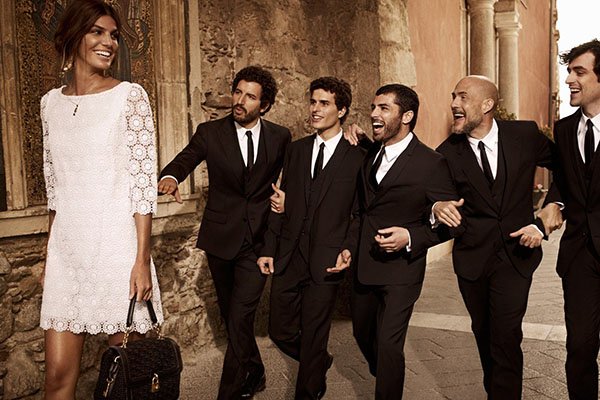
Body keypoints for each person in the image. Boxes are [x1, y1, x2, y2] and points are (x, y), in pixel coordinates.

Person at [40, 1, 163, 398]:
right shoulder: (49, 104)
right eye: (97, 32)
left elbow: (142, 187)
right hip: (67, 255)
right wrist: (49, 256)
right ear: (74, 35)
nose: (108, 42)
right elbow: (55, 189)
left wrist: (141, 260)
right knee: (57, 377)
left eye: (113, 35)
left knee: (127, 378)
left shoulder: (130, 97)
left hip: (117, 253)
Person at [158, 66, 291, 399]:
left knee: (241, 314)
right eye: (238, 92)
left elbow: (293, 176)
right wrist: (171, 177)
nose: (240, 101)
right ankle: (255, 370)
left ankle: (229, 393)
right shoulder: (210, 132)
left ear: (264, 105)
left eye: (250, 96)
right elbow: (186, 158)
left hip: (258, 241)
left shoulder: (280, 137)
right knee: (233, 316)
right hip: (221, 239)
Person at [433, 75, 556, 399]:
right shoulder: (446, 153)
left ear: (487, 104)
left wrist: (550, 210)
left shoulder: (524, 134)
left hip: (517, 256)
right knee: (484, 334)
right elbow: (433, 195)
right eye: (453, 96)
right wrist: (438, 206)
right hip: (472, 260)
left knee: (506, 335)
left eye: (462, 97)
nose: (454, 104)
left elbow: (567, 168)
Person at [336, 84, 459, 399]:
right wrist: (349, 246)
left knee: (390, 344)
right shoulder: (370, 153)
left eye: (384, 108)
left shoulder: (431, 163)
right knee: (363, 335)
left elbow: (454, 224)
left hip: (402, 271)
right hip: (364, 265)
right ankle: (386, 371)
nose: (374, 114)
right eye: (373, 107)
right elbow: (362, 209)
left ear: (407, 116)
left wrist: (411, 236)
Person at [257, 77, 365, 399]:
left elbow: (360, 213)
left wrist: (348, 248)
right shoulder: (297, 150)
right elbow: (280, 202)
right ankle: (318, 361)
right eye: (313, 102)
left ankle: (309, 389)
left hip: (326, 259)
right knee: (279, 330)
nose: (315, 109)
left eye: (324, 103)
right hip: (290, 255)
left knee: (315, 333)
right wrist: (269, 248)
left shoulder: (357, 157)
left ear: (341, 110)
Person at [541, 39, 600, 400]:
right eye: (569, 72)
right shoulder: (563, 130)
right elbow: (564, 180)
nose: (569, 80)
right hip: (579, 255)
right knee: (579, 346)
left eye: (579, 72)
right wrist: (554, 201)